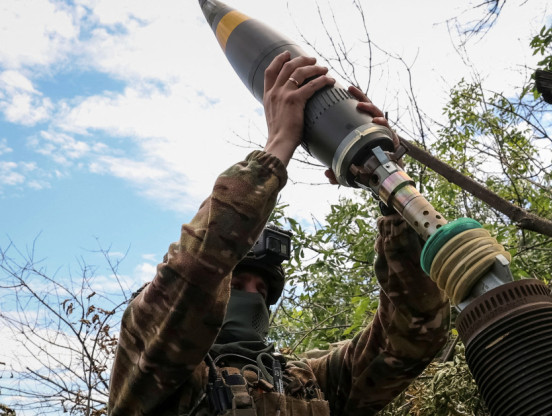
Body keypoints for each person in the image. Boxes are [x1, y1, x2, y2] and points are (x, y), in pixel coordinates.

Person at [107, 52, 450, 416]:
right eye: (238, 285)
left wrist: (386, 184)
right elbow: (193, 272)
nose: (253, 299)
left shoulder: (309, 382)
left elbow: (414, 333)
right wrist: (278, 147)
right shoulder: (151, 368)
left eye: (263, 290)